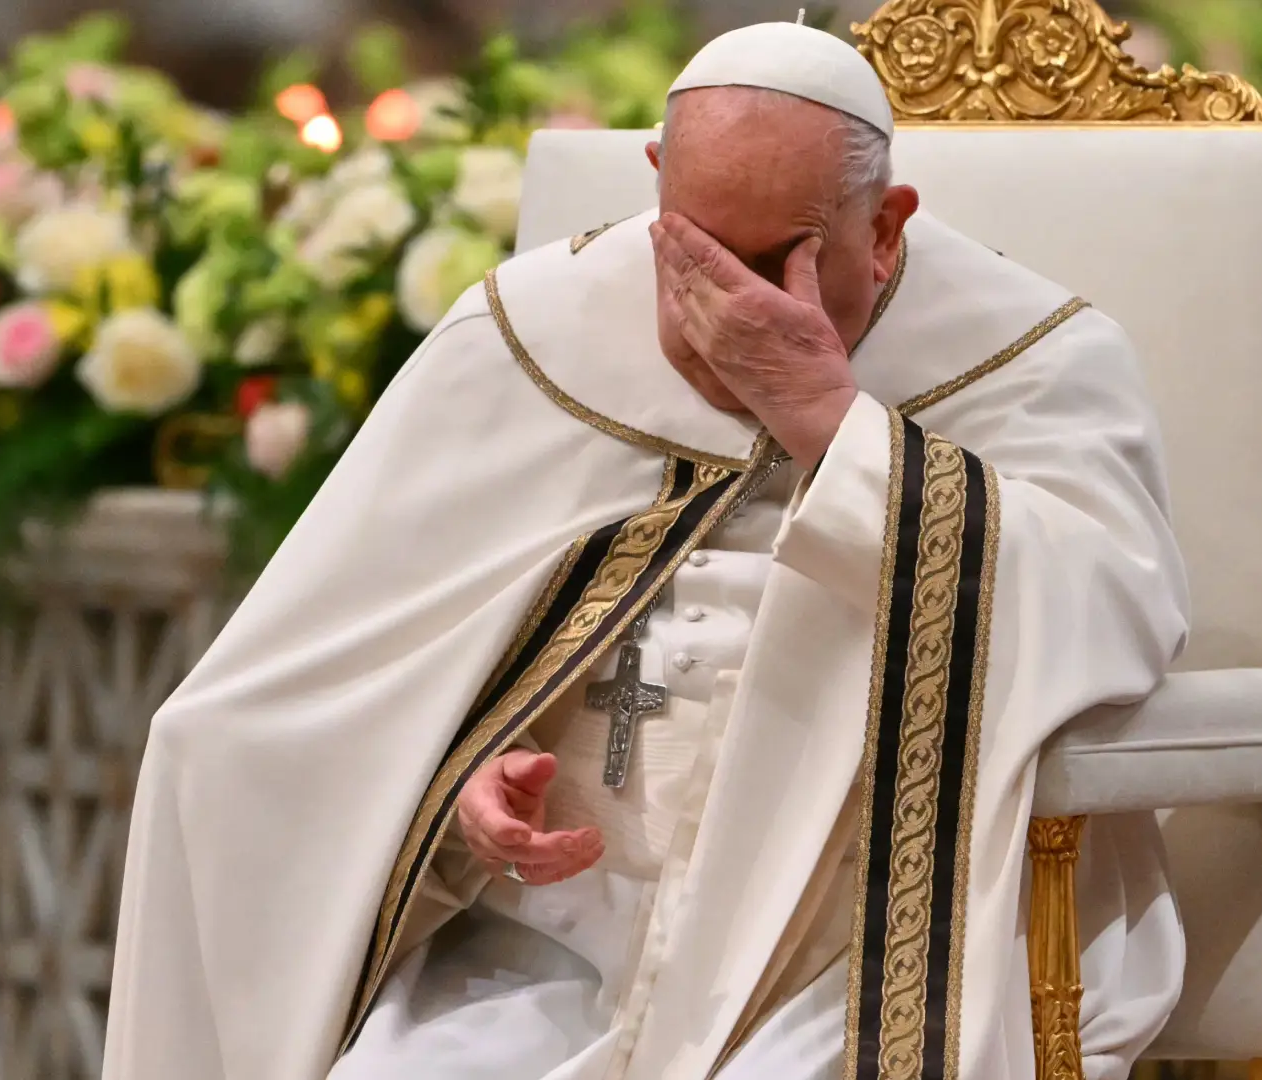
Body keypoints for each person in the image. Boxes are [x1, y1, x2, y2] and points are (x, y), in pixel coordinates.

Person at [103, 21, 1189, 1080]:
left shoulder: (1034, 361)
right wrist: (455, 792)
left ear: (888, 227)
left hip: (840, 955)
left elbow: (1105, 616)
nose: (723, 311)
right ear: (657, 177)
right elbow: (337, 690)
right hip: (544, 950)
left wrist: (828, 421)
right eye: (693, 249)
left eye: (778, 261)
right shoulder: (532, 335)